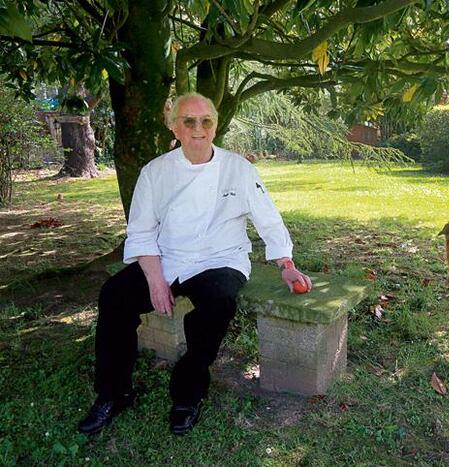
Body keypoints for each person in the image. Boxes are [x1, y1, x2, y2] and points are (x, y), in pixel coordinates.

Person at [78, 92, 312, 435]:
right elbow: (141, 231)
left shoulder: (239, 168)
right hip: (168, 256)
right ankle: (114, 392)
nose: (198, 128)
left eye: (206, 121)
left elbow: (269, 220)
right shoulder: (154, 172)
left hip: (221, 258)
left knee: (218, 303)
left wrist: (286, 264)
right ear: (175, 127)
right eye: (189, 121)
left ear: (216, 126)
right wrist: (156, 281)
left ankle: (187, 394)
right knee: (115, 295)